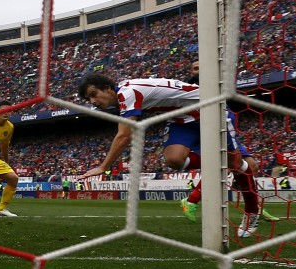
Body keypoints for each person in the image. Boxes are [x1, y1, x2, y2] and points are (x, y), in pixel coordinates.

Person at [78, 73, 262, 238]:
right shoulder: (126, 93)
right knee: (174, 159)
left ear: (107, 88)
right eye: (88, 99)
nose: (93, 101)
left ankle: (252, 211)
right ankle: (220, 161)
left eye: (94, 94)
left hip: (210, 107)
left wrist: (103, 167)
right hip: (181, 117)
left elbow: (125, 135)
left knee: (237, 164)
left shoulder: (127, 94)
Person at [180, 61, 278, 223]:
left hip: (226, 127)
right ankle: (192, 200)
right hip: (207, 130)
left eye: (202, 67)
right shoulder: (187, 88)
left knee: (252, 165)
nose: (199, 71)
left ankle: (255, 207)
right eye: (195, 68)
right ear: (191, 72)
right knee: (226, 165)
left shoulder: (216, 82)